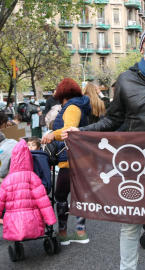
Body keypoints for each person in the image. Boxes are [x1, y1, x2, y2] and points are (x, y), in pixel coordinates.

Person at [61, 32, 145, 270]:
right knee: (130, 225)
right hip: (135, 163)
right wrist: (80, 132)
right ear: (141, 48)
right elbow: (112, 121)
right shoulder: (126, 80)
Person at [41, 78, 91, 246]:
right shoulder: (78, 106)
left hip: (70, 159)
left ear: (62, 91)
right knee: (79, 196)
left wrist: (51, 135)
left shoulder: (71, 107)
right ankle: (80, 232)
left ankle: (64, 233)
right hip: (80, 158)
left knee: (61, 195)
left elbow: (68, 130)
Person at [0, 139, 57, 241]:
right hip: (33, 220)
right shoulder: (33, 178)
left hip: (13, 222)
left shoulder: (7, 180)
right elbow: (43, 202)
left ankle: (17, 246)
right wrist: (50, 219)